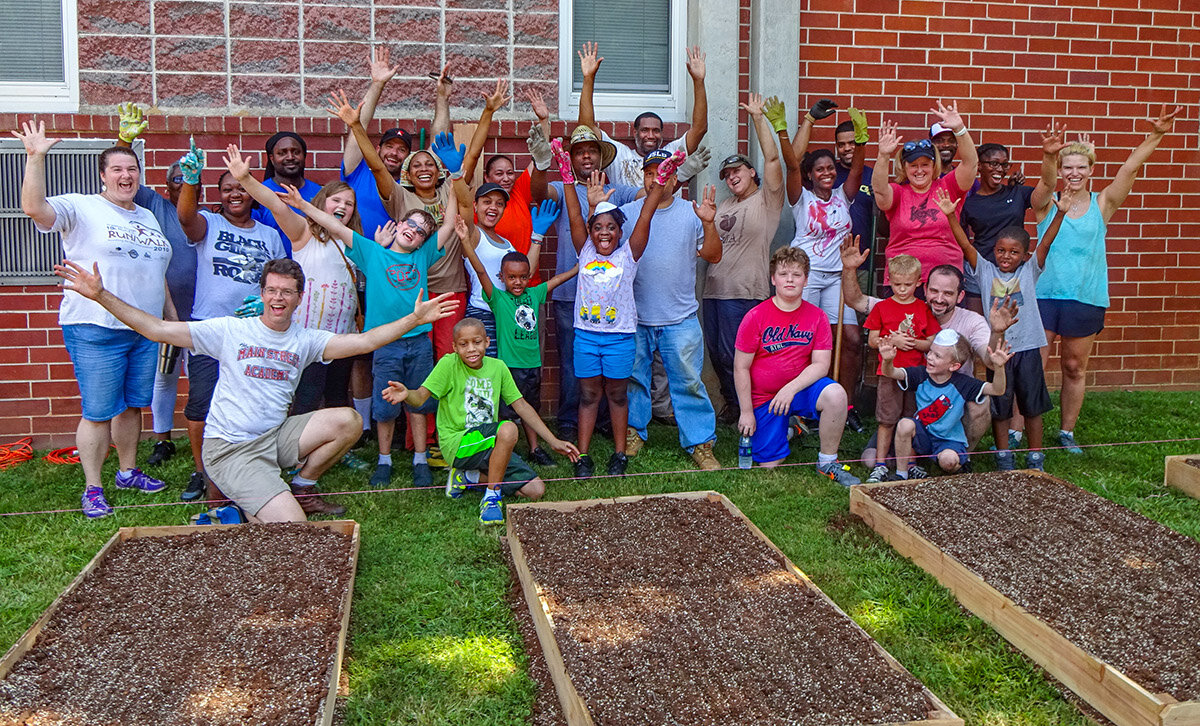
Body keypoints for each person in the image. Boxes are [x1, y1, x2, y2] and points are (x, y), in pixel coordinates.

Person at [56, 257, 459, 522]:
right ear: (262, 292)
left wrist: (413, 318)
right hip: (230, 448)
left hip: (273, 439)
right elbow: (157, 329)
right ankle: (242, 501)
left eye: (287, 291)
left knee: (349, 420)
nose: (278, 298)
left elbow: (365, 343)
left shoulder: (304, 340)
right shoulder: (230, 330)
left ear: (299, 298)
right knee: (292, 530)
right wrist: (101, 295)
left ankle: (301, 485)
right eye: (272, 289)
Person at [15, 121, 173, 518]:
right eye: (117, 169)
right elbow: (34, 208)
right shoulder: (82, 206)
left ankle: (128, 471)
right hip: (95, 325)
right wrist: (36, 157)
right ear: (103, 176)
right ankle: (93, 487)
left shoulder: (147, 217)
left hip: (144, 327)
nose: (126, 175)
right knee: (99, 410)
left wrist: (171, 321)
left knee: (134, 405)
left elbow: (157, 273)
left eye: (132, 169)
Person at [277, 182, 457, 490]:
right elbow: (334, 225)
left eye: (422, 230)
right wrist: (302, 204)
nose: (414, 230)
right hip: (385, 344)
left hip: (419, 342)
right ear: (399, 224)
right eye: (410, 223)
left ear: (424, 242)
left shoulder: (423, 256)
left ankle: (420, 460)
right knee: (385, 405)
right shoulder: (372, 253)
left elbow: (450, 223)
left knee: (419, 401)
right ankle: (384, 459)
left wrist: (455, 186)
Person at [1034, 105, 1182, 454]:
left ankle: (1066, 432)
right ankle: (1016, 427)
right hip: (1042, 295)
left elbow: (1130, 168)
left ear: (1090, 171)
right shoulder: (1045, 204)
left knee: (1073, 366)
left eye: (1080, 167)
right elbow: (1044, 182)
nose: (1073, 173)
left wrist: (1156, 135)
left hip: (1086, 297)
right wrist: (1047, 156)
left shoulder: (1104, 204)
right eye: (1066, 167)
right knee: (1032, 365)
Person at [176, 142, 290, 504]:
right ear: (220, 196)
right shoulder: (209, 223)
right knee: (201, 403)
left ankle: (252, 466)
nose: (234, 194)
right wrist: (191, 182)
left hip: (255, 332)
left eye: (241, 187)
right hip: (210, 328)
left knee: (251, 403)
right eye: (226, 189)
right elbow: (186, 220)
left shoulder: (270, 235)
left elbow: (284, 277)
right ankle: (204, 472)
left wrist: (265, 305)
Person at [381, 318, 580, 524]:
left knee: (535, 490)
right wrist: (407, 394)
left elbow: (521, 405)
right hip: (458, 444)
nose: (471, 349)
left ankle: (467, 478)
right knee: (509, 429)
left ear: (487, 342)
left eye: (476, 342)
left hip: (490, 444)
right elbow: (421, 396)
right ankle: (491, 499)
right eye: (463, 344)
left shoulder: (498, 367)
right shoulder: (448, 364)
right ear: (455, 347)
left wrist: (553, 441)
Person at [839, 238, 1018, 464]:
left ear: (960, 296)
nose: (939, 299)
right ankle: (910, 456)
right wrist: (849, 269)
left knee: (979, 404)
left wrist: (998, 331)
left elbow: (990, 360)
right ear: (924, 288)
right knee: (869, 460)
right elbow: (855, 300)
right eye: (934, 291)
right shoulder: (902, 304)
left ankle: (961, 455)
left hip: (951, 406)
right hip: (911, 398)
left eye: (948, 293)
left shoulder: (972, 321)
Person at [223, 147, 363, 433]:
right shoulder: (304, 232)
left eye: (349, 203)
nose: (343, 206)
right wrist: (246, 179)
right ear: (322, 203)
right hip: (308, 335)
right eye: (336, 199)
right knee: (306, 398)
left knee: (337, 395)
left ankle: (333, 448)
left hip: (342, 336)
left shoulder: (354, 242)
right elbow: (276, 205)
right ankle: (297, 451)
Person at [333, 91, 466, 362]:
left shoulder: (448, 189)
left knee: (448, 358)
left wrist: (442, 98)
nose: (423, 168)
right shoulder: (399, 196)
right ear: (407, 173)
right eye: (415, 164)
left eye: (429, 163)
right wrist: (356, 126)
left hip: (450, 287)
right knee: (410, 357)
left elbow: (442, 143)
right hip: (409, 288)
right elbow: (378, 168)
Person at [560, 154, 670, 477]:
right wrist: (567, 176)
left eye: (611, 227)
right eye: (598, 227)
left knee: (618, 395)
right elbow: (574, 213)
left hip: (620, 338)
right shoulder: (585, 252)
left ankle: (619, 455)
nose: (604, 233)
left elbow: (647, 214)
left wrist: (661, 178)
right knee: (589, 394)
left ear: (620, 232)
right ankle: (583, 456)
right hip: (587, 338)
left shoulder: (629, 254)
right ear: (590, 232)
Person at [530, 124, 639, 440]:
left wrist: (672, 172)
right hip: (570, 295)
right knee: (573, 364)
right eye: (579, 152)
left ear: (601, 157)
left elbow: (647, 193)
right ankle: (568, 420)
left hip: (613, 300)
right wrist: (541, 164)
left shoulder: (618, 190)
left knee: (610, 369)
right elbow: (539, 193)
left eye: (592, 150)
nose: (586, 156)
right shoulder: (562, 185)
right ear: (572, 158)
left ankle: (605, 421)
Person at [943, 185, 1063, 470]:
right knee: (1001, 403)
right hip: (999, 351)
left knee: (1032, 404)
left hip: (1028, 346)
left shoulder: (1029, 270)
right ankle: (1003, 455)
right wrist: (950, 216)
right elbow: (967, 246)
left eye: (1013, 252)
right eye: (1000, 250)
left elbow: (1045, 243)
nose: (1006, 256)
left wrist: (1060, 213)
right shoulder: (985, 271)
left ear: (1024, 255)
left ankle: (1035, 455)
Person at [622, 148, 722, 472]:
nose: (656, 178)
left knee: (689, 382)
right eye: (650, 172)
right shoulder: (627, 214)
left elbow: (713, 255)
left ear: (675, 178)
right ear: (643, 177)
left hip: (680, 318)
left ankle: (700, 443)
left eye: (662, 172)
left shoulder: (691, 212)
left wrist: (708, 223)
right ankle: (634, 432)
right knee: (635, 379)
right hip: (635, 316)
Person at [112, 103, 198, 471]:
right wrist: (125, 139)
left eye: (190, 178)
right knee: (163, 378)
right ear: (165, 185)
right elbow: (123, 177)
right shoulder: (152, 205)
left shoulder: (205, 216)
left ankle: (202, 432)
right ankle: (162, 439)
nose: (182, 183)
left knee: (200, 377)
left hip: (199, 314)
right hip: (163, 312)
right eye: (177, 178)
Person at [732, 246, 859, 485]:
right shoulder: (755, 317)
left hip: (799, 391)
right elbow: (741, 367)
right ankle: (790, 427)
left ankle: (827, 461)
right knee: (768, 465)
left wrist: (790, 389)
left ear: (806, 279)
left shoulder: (817, 316)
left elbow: (821, 365)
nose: (790, 280)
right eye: (783, 274)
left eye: (797, 275)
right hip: (764, 397)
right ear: (773, 279)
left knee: (836, 394)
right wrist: (746, 412)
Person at [703, 95, 786, 425]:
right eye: (726, 173)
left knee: (739, 355)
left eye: (736, 170)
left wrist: (756, 118)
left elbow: (774, 161)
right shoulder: (723, 205)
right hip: (713, 291)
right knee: (718, 355)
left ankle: (754, 410)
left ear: (752, 172)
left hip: (745, 292)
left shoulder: (767, 201)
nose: (730, 176)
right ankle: (733, 406)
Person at [460, 229, 577, 464]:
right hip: (508, 368)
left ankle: (534, 449)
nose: (518, 282)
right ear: (501, 277)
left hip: (532, 365)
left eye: (523, 277)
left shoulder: (533, 294)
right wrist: (465, 240)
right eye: (512, 277)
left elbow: (554, 281)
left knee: (530, 408)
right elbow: (481, 270)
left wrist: (577, 268)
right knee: (505, 412)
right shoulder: (497, 298)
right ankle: (506, 450)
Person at [782, 98, 866, 405]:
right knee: (802, 341)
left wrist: (861, 140)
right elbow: (792, 162)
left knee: (852, 340)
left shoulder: (844, 196)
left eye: (831, 168)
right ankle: (800, 402)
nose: (827, 173)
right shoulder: (800, 198)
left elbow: (857, 167)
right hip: (808, 276)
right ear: (810, 174)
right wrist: (794, 127)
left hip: (839, 279)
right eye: (820, 169)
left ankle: (844, 402)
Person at [341, 47, 451, 239]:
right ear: (377, 149)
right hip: (357, 261)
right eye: (389, 146)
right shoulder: (357, 171)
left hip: (399, 264)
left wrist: (442, 98)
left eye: (402, 150)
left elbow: (439, 143)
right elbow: (359, 126)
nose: (394, 153)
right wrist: (377, 84)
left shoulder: (414, 185)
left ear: (408, 158)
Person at [576, 41, 709, 189]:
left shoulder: (671, 153)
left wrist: (698, 81)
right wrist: (588, 79)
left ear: (662, 134)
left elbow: (700, 128)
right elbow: (587, 128)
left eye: (656, 131)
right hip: (628, 212)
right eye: (645, 130)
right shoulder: (620, 156)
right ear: (635, 132)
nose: (651, 135)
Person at [872, 102, 979, 285]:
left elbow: (970, 164)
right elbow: (880, 190)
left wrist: (960, 129)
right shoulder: (898, 193)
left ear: (934, 166)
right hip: (903, 283)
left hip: (944, 282)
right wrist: (883, 155)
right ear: (905, 168)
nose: (919, 170)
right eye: (913, 165)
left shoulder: (948, 186)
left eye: (925, 165)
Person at [881, 331, 1011, 479]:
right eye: (930, 352)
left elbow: (997, 390)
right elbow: (891, 372)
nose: (929, 357)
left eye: (937, 356)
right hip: (922, 435)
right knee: (905, 424)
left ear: (954, 366)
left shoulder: (963, 383)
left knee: (949, 462)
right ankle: (901, 474)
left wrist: (999, 368)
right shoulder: (921, 374)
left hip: (949, 439)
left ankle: (958, 464)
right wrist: (887, 361)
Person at [458, 82, 554, 284]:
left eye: (510, 173)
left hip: (529, 284)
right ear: (487, 177)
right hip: (494, 290)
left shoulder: (519, 192)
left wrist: (543, 120)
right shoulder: (480, 207)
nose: (506, 178)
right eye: (499, 173)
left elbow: (540, 157)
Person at [958, 127, 1060, 313]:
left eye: (1004, 165)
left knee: (1010, 331)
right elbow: (961, 240)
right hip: (980, 271)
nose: (1000, 170)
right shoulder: (969, 203)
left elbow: (1046, 186)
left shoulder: (1017, 193)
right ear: (979, 165)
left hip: (1013, 274)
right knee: (977, 330)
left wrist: (1049, 156)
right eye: (993, 164)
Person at [863, 255, 940, 482]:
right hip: (889, 372)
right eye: (897, 285)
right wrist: (892, 341)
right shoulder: (882, 308)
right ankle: (880, 464)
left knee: (911, 418)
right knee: (886, 418)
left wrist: (913, 343)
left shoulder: (922, 308)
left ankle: (910, 463)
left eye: (908, 285)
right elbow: (872, 340)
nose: (903, 289)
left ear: (918, 282)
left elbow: (931, 342)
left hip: (917, 375)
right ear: (889, 280)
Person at [252, 131, 320, 255]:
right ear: (272, 159)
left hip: (312, 269)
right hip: (273, 269)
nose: (290, 157)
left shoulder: (319, 193)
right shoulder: (259, 193)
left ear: (304, 155)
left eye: (296, 152)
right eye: (282, 153)